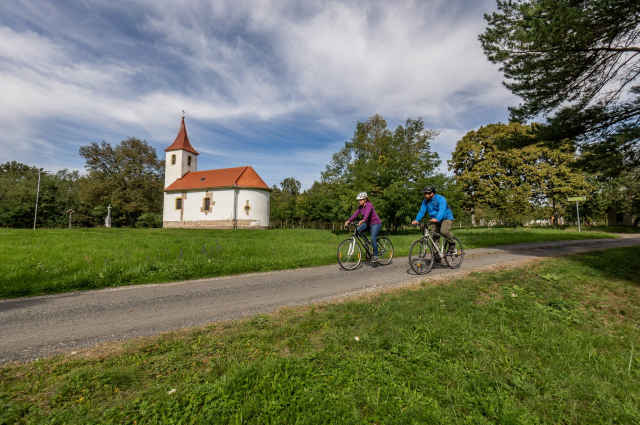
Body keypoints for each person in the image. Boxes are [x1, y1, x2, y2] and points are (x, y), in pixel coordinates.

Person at [411, 186, 456, 258]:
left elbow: (442, 210)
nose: (424, 195)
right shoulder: (425, 201)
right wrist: (416, 220)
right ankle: (436, 256)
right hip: (435, 219)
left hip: (446, 218)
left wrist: (437, 218)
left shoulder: (441, 199)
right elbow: (422, 211)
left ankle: (452, 243)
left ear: (431, 193)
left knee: (443, 231)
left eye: (426, 194)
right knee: (433, 238)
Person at [345, 192, 382, 263]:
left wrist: (363, 220)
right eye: (358, 200)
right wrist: (348, 220)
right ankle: (367, 241)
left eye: (361, 200)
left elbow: (367, 214)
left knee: (373, 238)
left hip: (376, 223)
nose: (359, 201)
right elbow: (355, 214)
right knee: (358, 230)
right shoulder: (360, 207)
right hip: (368, 223)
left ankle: (376, 256)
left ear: (365, 199)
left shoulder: (369, 205)